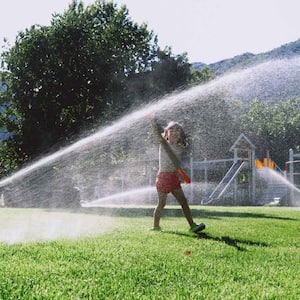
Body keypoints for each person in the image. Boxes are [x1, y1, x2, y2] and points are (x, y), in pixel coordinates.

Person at [150, 116, 205, 233]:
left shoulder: (180, 148)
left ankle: (192, 225)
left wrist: (181, 175)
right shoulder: (163, 143)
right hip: (163, 177)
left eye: (177, 130)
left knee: (183, 201)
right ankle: (155, 227)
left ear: (180, 134)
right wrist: (153, 120)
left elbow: (175, 164)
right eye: (172, 130)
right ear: (167, 133)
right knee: (161, 203)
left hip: (173, 178)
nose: (175, 132)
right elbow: (156, 134)